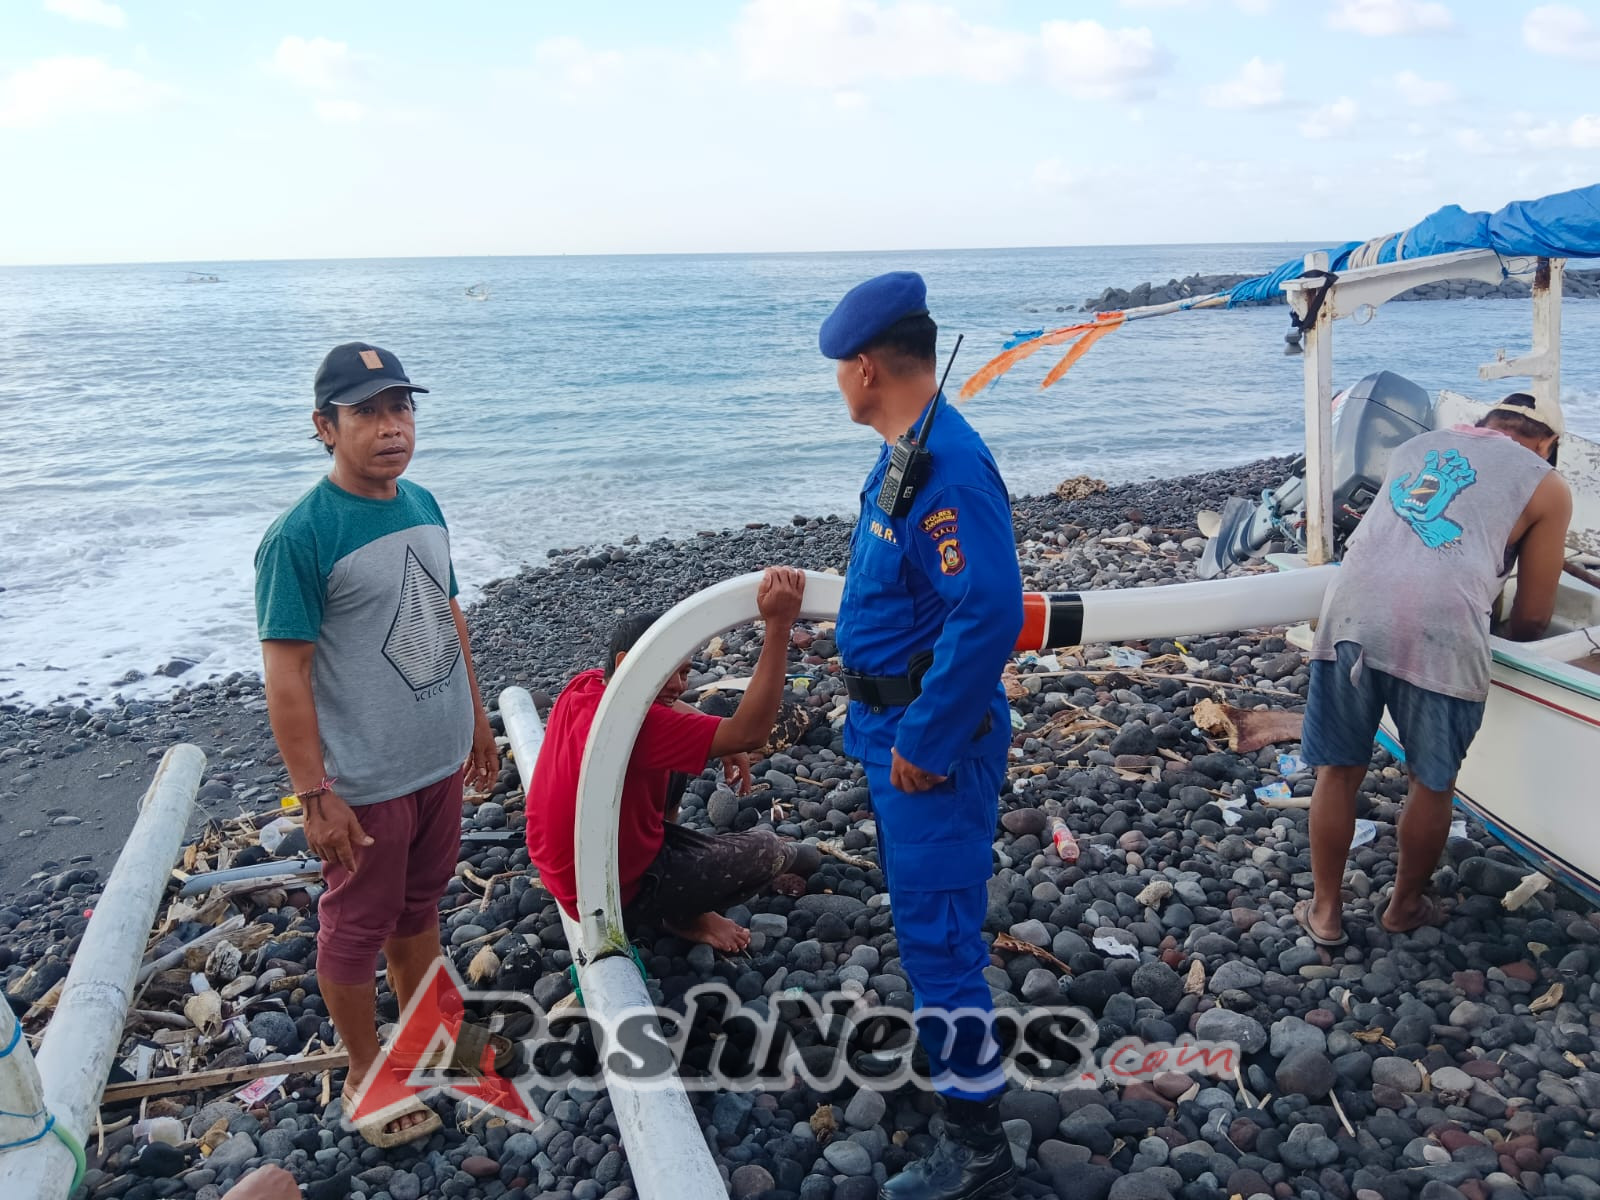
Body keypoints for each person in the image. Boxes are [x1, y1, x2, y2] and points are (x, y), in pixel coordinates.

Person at [255, 342, 499, 1147]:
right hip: (365, 781)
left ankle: (434, 1034)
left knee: (420, 908)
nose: (392, 426)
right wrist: (314, 794)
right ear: (325, 427)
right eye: (367, 412)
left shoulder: (423, 503)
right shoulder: (300, 536)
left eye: (402, 407)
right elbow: (285, 677)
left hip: (436, 762)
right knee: (356, 925)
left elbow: (449, 615)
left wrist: (479, 721)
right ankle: (365, 1070)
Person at [820, 272, 1024, 1200]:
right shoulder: (910, 449)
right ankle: (957, 1080)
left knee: (941, 941)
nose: (838, 384)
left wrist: (931, 739)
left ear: (866, 365)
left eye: (839, 370)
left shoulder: (947, 464)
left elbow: (988, 611)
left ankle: (978, 1148)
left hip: (925, 739)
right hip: (890, 725)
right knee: (923, 927)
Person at [1298, 391, 1572, 946]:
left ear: (1482, 424)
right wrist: (1502, 645)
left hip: (1351, 605)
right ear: (1549, 444)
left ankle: (1326, 913)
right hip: (1440, 626)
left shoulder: (1418, 445)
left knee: (1339, 770)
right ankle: (1403, 908)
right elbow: (1536, 614)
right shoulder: (1547, 484)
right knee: (1432, 780)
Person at [526, 567, 820, 952]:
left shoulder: (585, 686)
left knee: (684, 751)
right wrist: (779, 626)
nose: (681, 685)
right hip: (603, 891)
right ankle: (676, 911)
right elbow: (752, 734)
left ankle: (661, 857)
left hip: (562, 865)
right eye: (670, 673)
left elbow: (674, 708)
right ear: (626, 661)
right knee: (768, 850)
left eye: (685, 672)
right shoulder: (642, 728)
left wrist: (713, 730)